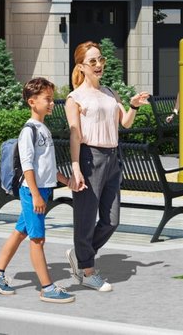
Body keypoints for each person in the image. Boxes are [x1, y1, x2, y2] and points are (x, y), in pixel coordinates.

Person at [65, 41, 150, 292]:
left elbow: (125, 123)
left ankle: (82, 253)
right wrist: (76, 167)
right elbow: (74, 135)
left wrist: (133, 105)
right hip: (90, 158)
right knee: (86, 217)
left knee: (112, 220)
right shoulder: (75, 98)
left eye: (101, 59)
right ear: (81, 66)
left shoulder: (111, 92)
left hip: (113, 157)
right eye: (93, 61)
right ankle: (88, 271)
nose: (99, 65)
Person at [0, 77, 75, 303]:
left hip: (42, 191)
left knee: (20, 232)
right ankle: (47, 288)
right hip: (32, 192)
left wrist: (67, 181)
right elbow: (27, 165)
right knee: (37, 240)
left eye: (52, 99)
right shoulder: (29, 131)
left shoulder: (43, 128)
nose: (52, 103)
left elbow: (47, 167)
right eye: (47, 99)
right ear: (32, 102)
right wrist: (35, 194)